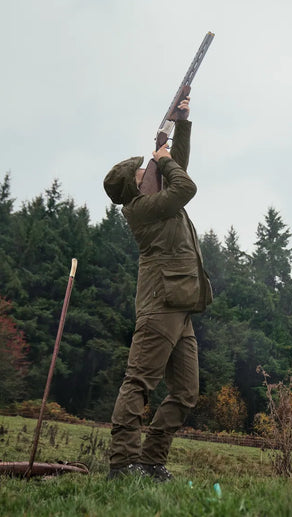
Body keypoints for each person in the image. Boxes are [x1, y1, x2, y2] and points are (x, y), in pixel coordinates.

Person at [102, 97, 212, 481]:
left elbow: (176, 170)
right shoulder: (142, 209)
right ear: (134, 186)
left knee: (185, 393)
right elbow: (185, 185)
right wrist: (162, 156)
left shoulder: (156, 200)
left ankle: (151, 462)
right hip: (160, 307)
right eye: (141, 171)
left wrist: (181, 124)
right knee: (139, 383)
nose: (146, 171)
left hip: (180, 306)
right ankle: (122, 464)